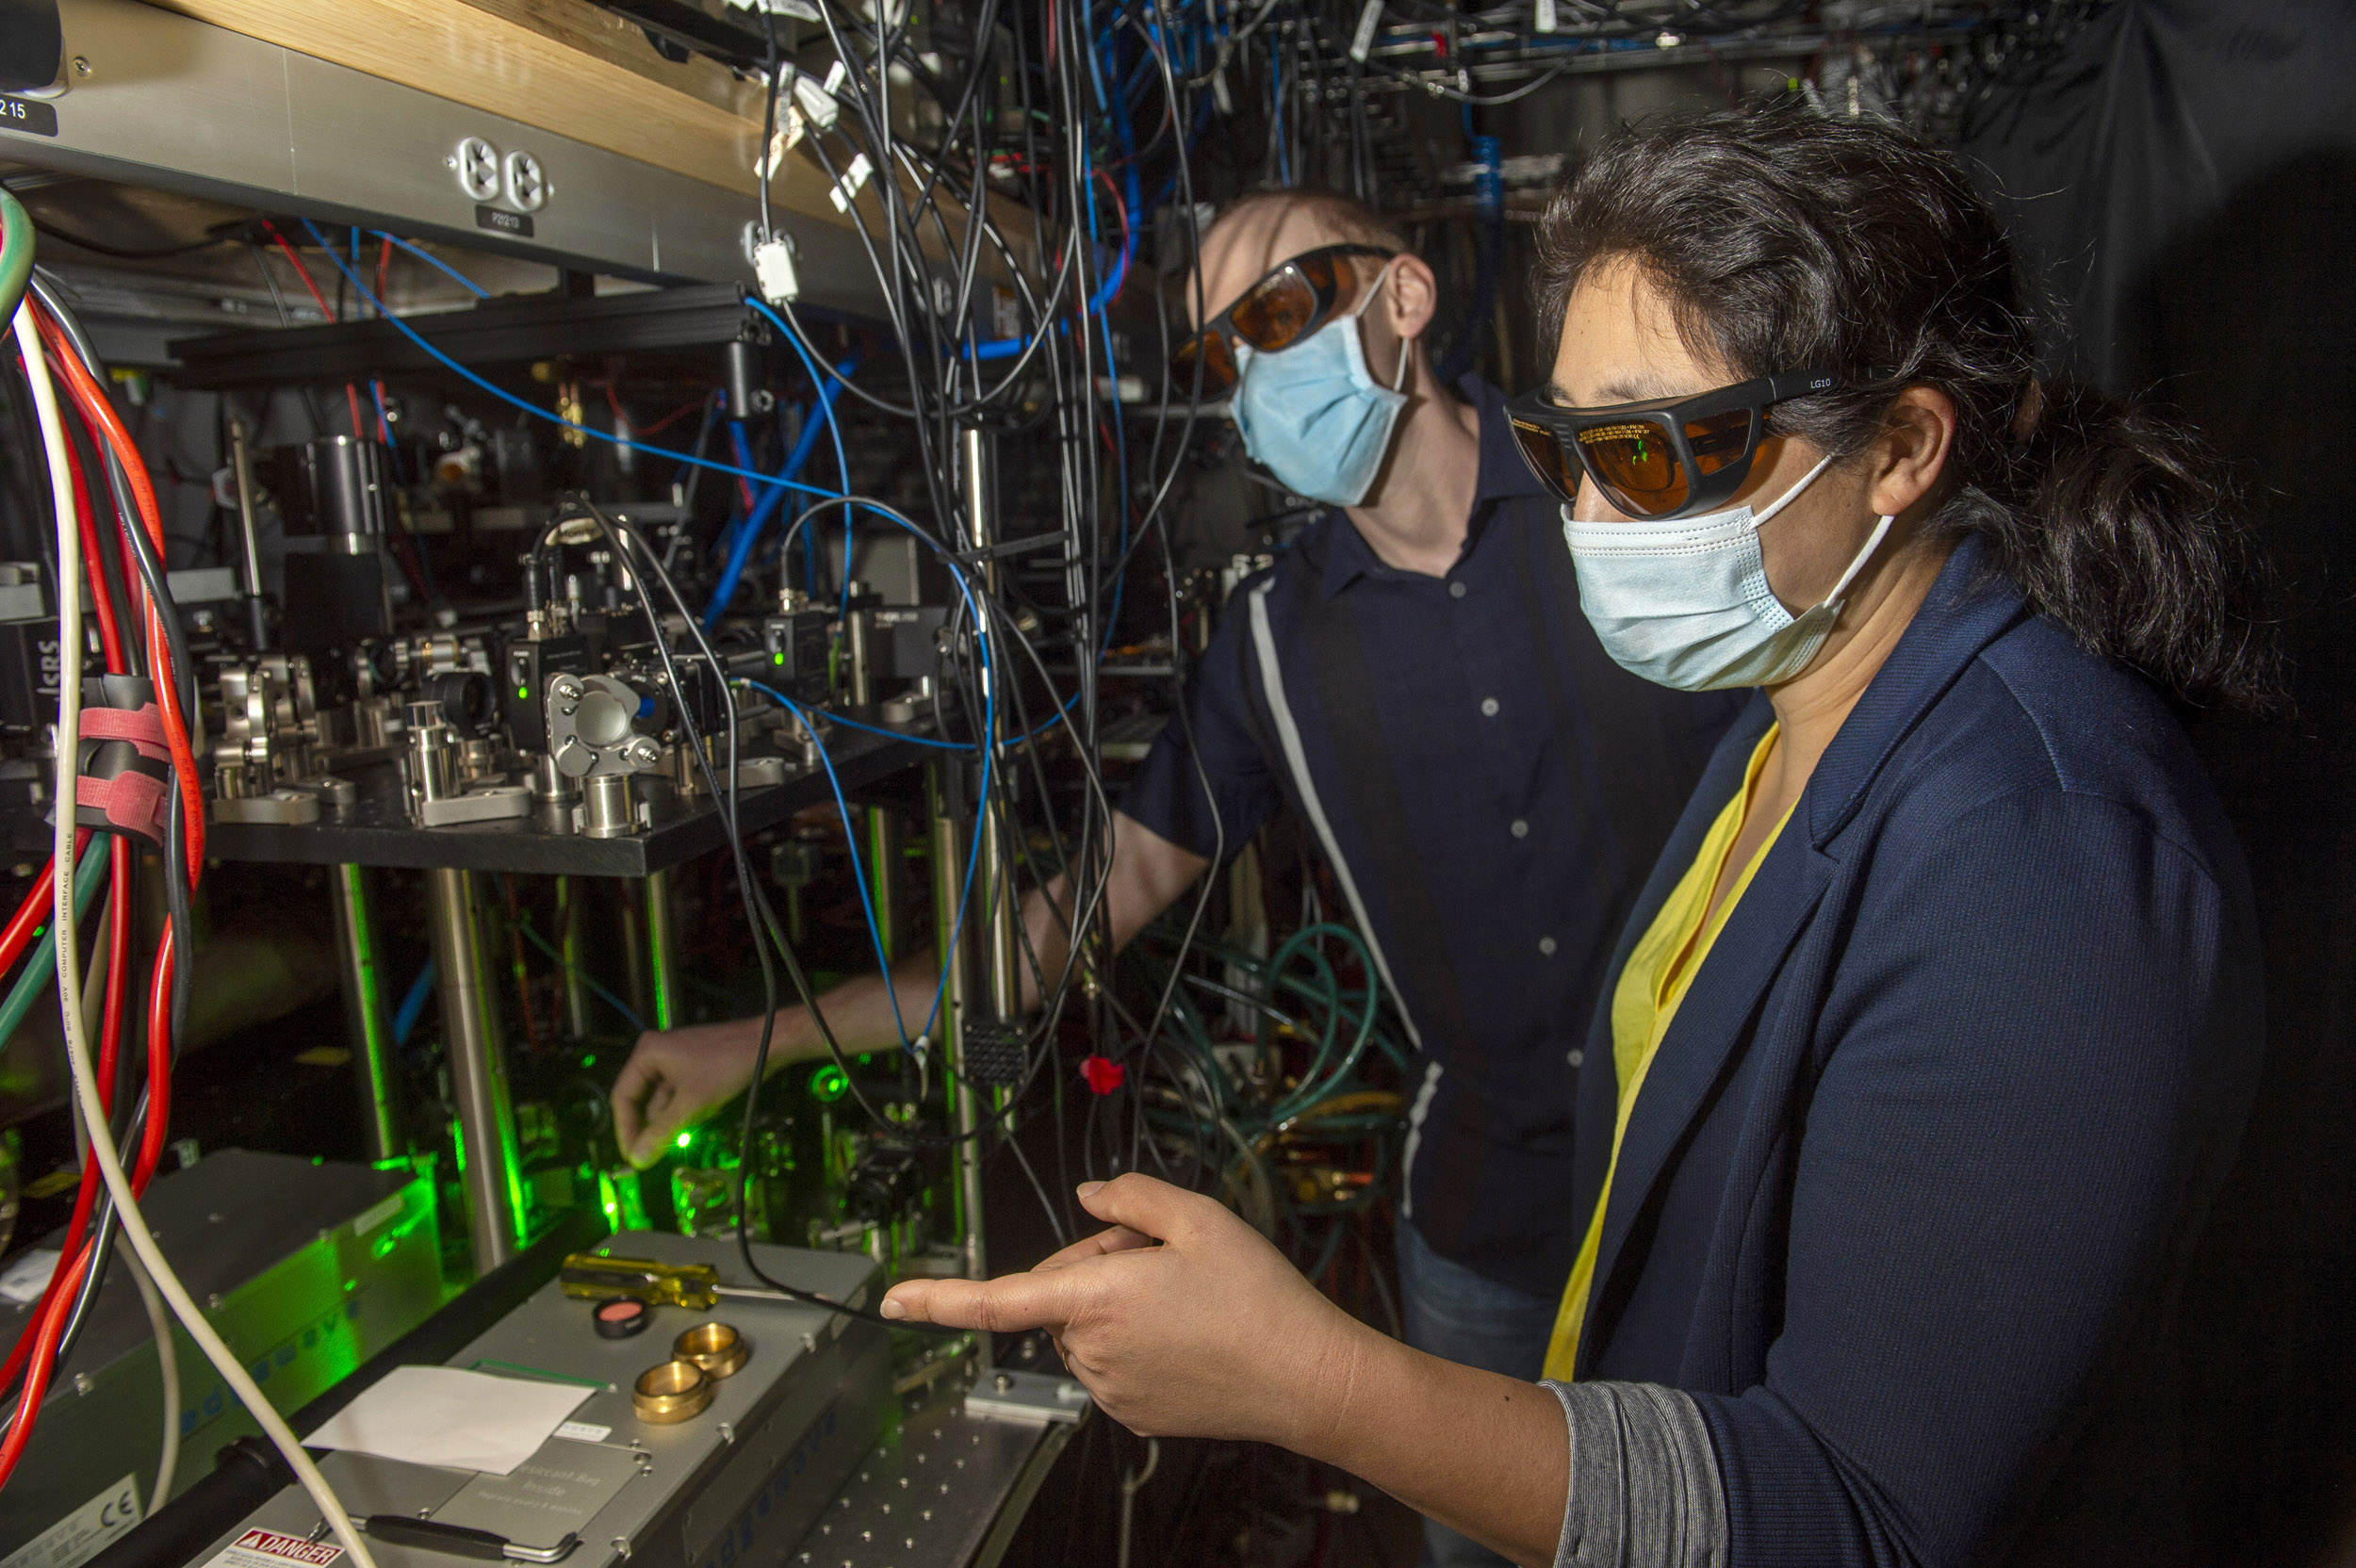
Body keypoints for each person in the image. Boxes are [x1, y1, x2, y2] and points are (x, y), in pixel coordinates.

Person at [877, 109, 2277, 1568]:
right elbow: (1108, 885)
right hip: (1526, 1240)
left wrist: (1314, 1385)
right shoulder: (1780, 704)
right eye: (1572, 451)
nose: (1602, 518)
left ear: (1902, 447)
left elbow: (1857, 1516)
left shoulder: (2037, 854)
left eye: (1662, 454)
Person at [612, 189, 1739, 1566]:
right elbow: (1059, 927)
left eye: (1281, 313)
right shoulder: (1273, 645)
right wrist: (754, 1040)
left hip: (1728, 1186)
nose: (1259, 372)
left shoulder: (1622, 497)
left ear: (1404, 298)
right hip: (1485, 1236)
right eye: (1224, 351)